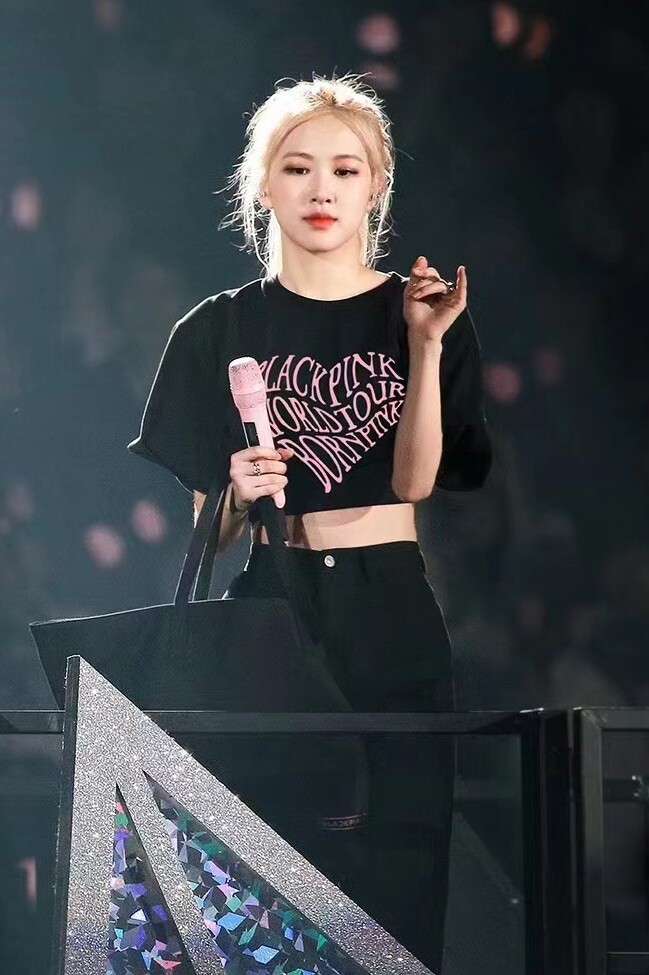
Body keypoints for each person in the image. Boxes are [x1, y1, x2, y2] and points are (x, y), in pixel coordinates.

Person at [128, 73, 492, 971]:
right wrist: (235, 490)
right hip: (272, 603)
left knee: (401, 858)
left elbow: (415, 481)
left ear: (376, 187)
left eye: (344, 169)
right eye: (297, 168)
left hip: (388, 600)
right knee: (274, 865)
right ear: (262, 184)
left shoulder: (422, 311)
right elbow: (211, 534)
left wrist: (424, 345)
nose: (320, 188)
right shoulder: (216, 329)